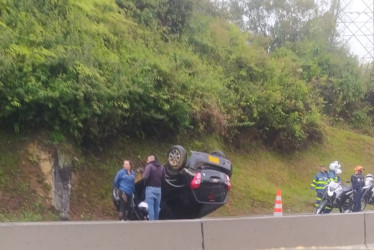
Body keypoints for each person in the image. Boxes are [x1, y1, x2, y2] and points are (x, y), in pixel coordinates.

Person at [142, 154, 166, 220]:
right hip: (158, 189)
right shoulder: (161, 167)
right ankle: (156, 222)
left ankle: (151, 223)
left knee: (150, 207)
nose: (147, 161)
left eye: (147, 159)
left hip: (150, 188)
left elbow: (146, 177)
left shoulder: (149, 166)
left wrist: (145, 182)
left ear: (150, 159)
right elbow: (164, 179)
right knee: (157, 207)